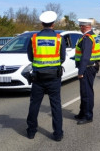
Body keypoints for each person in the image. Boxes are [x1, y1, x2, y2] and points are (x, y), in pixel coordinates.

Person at [26, 11, 65, 141]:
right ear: (53, 24)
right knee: (56, 105)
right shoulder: (59, 38)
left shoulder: (34, 38)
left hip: (38, 78)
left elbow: (31, 57)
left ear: (42, 23)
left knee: (34, 104)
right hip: (54, 77)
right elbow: (63, 58)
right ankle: (58, 134)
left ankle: (31, 132)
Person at [74, 18, 100, 125]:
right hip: (91, 66)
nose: (80, 28)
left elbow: (85, 56)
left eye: (81, 26)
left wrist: (81, 71)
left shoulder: (87, 38)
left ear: (85, 26)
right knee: (84, 91)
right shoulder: (93, 36)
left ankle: (88, 116)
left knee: (86, 93)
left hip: (87, 68)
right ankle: (82, 112)